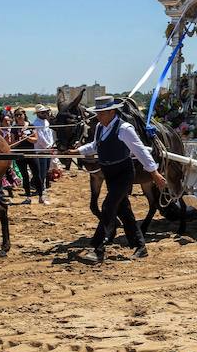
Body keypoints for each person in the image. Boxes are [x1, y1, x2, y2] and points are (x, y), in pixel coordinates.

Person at [70, 95, 168, 263]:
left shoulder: (125, 129)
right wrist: (78, 152)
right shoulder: (101, 127)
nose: (98, 116)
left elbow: (141, 152)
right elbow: (95, 146)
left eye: (101, 113)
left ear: (112, 112)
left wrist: (154, 172)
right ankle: (140, 246)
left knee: (108, 206)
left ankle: (97, 248)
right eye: (98, 113)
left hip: (123, 174)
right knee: (124, 210)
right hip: (110, 174)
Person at [11, 107, 38, 202]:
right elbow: (12, 144)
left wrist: (27, 138)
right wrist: (20, 139)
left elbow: (35, 139)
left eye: (20, 114)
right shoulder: (14, 128)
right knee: (24, 175)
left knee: (36, 174)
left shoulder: (30, 125)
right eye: (16, 115)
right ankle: (28, 197)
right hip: (20, 154)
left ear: (24, 115)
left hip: (31, 153)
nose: (19, 117)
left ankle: (41, 195)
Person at [32, 104, 55, 204]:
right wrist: (48, 146)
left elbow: (50, 134)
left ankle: (39, 187)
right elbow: (40, 138)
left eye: (46, 112)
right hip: (40, 150)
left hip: (48, 149)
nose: (45, 113)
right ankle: (41, 189)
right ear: (38, 114)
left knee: (45, 170)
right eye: (43, 112)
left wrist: (51, 144)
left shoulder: (46, 122)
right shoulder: (36, 124)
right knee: (41, 171)